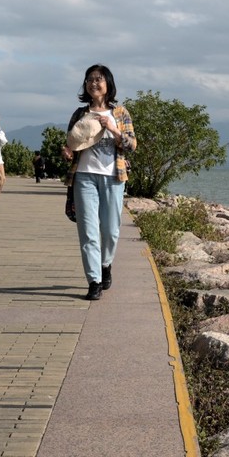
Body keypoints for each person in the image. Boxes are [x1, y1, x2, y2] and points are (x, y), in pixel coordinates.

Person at [61, 64, 136, 301]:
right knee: (88, 231)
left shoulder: (121, 113)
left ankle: (106, 265)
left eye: (99, 79)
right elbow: (72, 144)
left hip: (114, 178)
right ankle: (93, 281)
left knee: (111, 230)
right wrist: (67, 152)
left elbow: (132, 145)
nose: (94, 83)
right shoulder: (80, 114)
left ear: (108, 84)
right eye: (90, 79)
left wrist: (113, 130)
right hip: (83, 177)